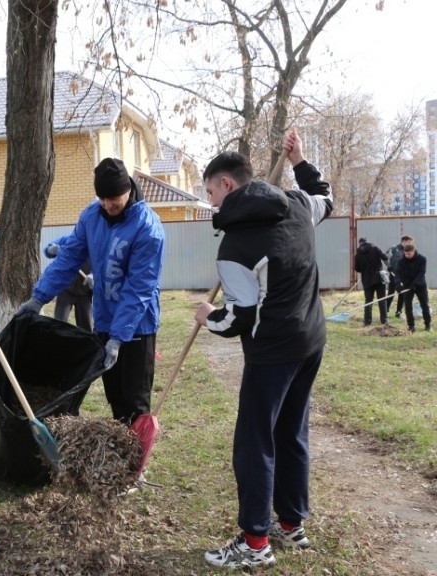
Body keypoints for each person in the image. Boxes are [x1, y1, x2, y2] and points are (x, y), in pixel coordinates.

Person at [193, 129, 333, 569]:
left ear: (227, 184)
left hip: (271, 354)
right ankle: (291, 523)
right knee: (291, 431)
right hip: (310, 341)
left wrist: (208, 316)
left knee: (255, 444)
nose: (212, 202)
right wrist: (300, 162)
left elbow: (239, 319)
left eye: (211, 192)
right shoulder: (297, 205)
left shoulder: (235, 248)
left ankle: (255, 543)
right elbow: (325, 197)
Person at [18, 157, 165, 427]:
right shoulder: (91, 217)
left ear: (128, 190)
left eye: (114, 198)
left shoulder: (148, 228)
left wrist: (119, 338)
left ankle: (137, 454)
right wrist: (39, 298)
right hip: (105, 319)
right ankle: (123, 448)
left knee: (134, 401)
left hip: (137, 327)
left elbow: (139, 289)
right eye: (103, 198)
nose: (108, 205)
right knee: (115, 397)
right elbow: (68, 258)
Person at [43, 237, 93, 331]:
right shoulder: (67, 240)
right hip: (65, 290)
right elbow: (47, 250)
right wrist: (51, 249)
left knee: (85, 327)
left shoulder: (94, 245)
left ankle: (86, 340)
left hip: (85, 292)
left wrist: (93, 275)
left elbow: (100, 263)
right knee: (59, 323)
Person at [395, 244, 431, 333]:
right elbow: (398, 274)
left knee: (424, 304)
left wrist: (415, 283)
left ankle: (428, 324)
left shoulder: (422, 259)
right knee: (408, 306)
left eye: (409, 254)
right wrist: (398, 284)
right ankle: (411, 326)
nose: (407, 255)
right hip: (407, 286)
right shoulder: (401, 261)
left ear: (413, 251)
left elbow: (422, 272)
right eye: (406, 254)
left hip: (420, 285)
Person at [354, 237, 389, 326]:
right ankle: (384, 321)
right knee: (382, 299)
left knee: (368, 301)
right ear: (367, 242)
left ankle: (367, 322)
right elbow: (385, 257)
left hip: (367, 279)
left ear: (359, 243)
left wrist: (365, 270)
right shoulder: (375, 248)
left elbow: (357, 268)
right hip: (379, 277)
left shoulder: (357, 254)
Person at [386, 235, 414, 319]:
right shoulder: (394, 249)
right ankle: (386, 311)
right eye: (409, 242)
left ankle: (398, 312)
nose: (410, 244)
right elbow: (385, 257)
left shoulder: (409, 250)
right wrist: (389, 266)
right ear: (403, 241)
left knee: (402, 293)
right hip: (394, 275)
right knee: (391, 292)